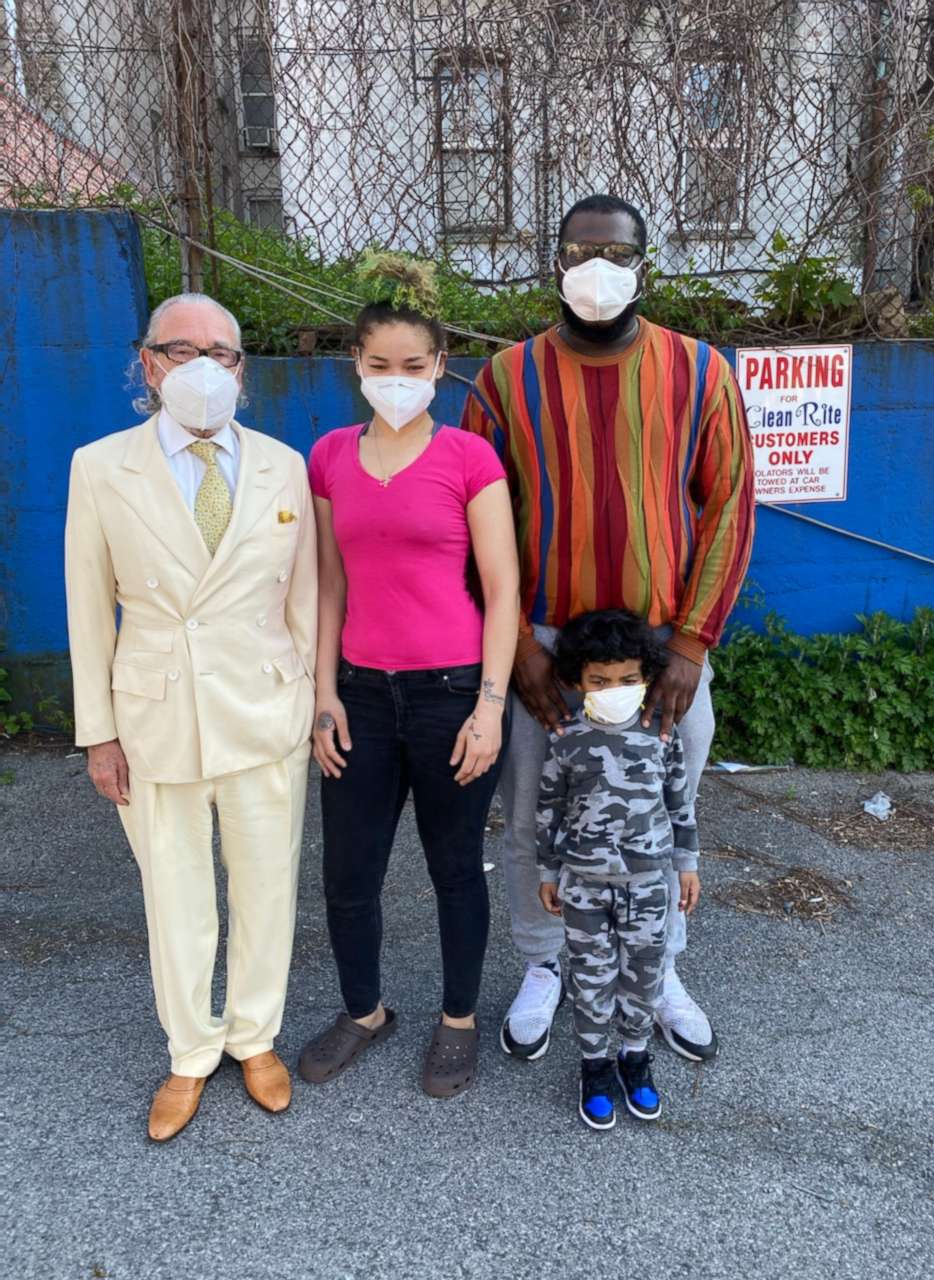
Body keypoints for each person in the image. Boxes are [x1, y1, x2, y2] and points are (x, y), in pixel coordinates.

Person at [462, 193, 754, 1064]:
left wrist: (692, 647)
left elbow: (729, 504)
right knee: (530, 815)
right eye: (583, 250)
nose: (601, 268)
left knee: (664, 812)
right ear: (555, 262)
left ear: (643, 267)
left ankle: (657, 969)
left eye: (618, 254)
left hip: (660, 651)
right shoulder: (504, 379)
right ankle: (547, 963)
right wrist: (515, 649)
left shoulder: (700, 372)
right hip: (545, 647)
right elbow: (473, 520)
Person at [65, 293, 318, 1141]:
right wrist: (97, 731)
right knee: (173, 894)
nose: (204, 367)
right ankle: (189, 1051)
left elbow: (305, 600)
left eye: (224, 353)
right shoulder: (101, 467)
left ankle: (255, 1035)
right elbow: (87, 610)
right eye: (182, 350)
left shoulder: (285, 465)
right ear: (148, 363)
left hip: (262, 705)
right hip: (155, 716)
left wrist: (315, 703)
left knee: (265, 885)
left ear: (243, 370)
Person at [297, 253, 519, 1099]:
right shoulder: (328, 458)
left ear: (440, 367)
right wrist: (323, 696)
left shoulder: (469, 458)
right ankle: (364, 1010)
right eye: (379, 366)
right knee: (348, 871)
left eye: (414, 367)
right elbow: (329, 585)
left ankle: (457, 1021)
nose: (396, 381)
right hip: (359, 695)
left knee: (454, 867)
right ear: (356, 365)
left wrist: (491, 707)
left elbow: (503, 594)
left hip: (453, 693)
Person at [536, 610, 700, 1129]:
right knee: (590, 979)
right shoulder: (566, 737)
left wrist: (687, 864)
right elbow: (549, 807)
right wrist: (547, 872)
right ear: (577, 682)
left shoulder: (661, 732)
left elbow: (680, 802)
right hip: (583, 885)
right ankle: (594, 1066)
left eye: (628, 679)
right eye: (599, 681)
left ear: (646, 677)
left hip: (650, 884)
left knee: (645, 976)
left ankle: (634, 1056)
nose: (614, 688)